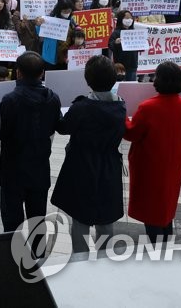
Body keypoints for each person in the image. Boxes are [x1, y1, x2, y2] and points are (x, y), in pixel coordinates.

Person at [51, 55, 126, 253]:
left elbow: (63, 127)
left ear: (88, 80)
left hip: (82, 166)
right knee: (106, 216)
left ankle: (80, 262)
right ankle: (104, 258)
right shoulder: (120, 106)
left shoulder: (82, 107)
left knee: (80, 217)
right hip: (109, 166)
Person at [123, 61, 181, 242]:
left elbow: (131, 133)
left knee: (151, 207)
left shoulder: (148, 107)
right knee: (166, 205)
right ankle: (165, 240)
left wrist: (123, 115)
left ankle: (156, 247)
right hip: (173, 163)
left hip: (150, 165)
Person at [0, 51, 62, 231]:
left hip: (12, 168)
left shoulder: (9, 100)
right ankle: (38, 257)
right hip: (40, 166)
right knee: (37, 220)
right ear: (42, 73)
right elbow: (58, 125)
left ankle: (12, 257)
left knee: (12, 222)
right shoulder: (52, 98)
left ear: (17, 72)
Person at [108, 10, 139, 83]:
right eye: (126, 18)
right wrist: (115, 42)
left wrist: (145, 41)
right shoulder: (116, 32)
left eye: (130, 18)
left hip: (132, 64)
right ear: (121, 19)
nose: (129, 20)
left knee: (131, 86)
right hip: (120, 65)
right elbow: (110, 45)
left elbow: (140, 48)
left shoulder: (135, 32)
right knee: (119, 85)